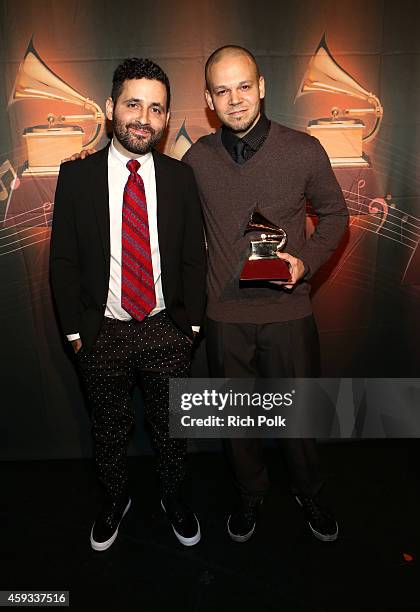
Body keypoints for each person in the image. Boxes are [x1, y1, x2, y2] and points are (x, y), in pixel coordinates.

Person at [182, 45, 349, 543]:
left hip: (288, 311)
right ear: (209, 99)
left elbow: (336, 216)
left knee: (297, 416)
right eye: (222, 90)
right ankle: (250, 496)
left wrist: (306, 263)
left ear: (262, 86)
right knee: (237, 423)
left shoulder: (304, 149)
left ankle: (309, 491)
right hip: (225, 317)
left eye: (243, 86)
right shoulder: (196, 159)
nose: (235, 100)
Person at [50, 58, 207, 551]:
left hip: (167, 329)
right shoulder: (75, 178)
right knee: (110, 429)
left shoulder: (181, 178)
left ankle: (173, 498)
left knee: (171, 432)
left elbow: (190, 258)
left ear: (166, 118)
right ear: (110, 106)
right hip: (103, 331)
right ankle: (115, 499)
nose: (144, 117)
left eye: (156, 108)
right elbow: (64, 261)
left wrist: (193, 328)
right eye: (133, 103)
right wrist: (76, 333)